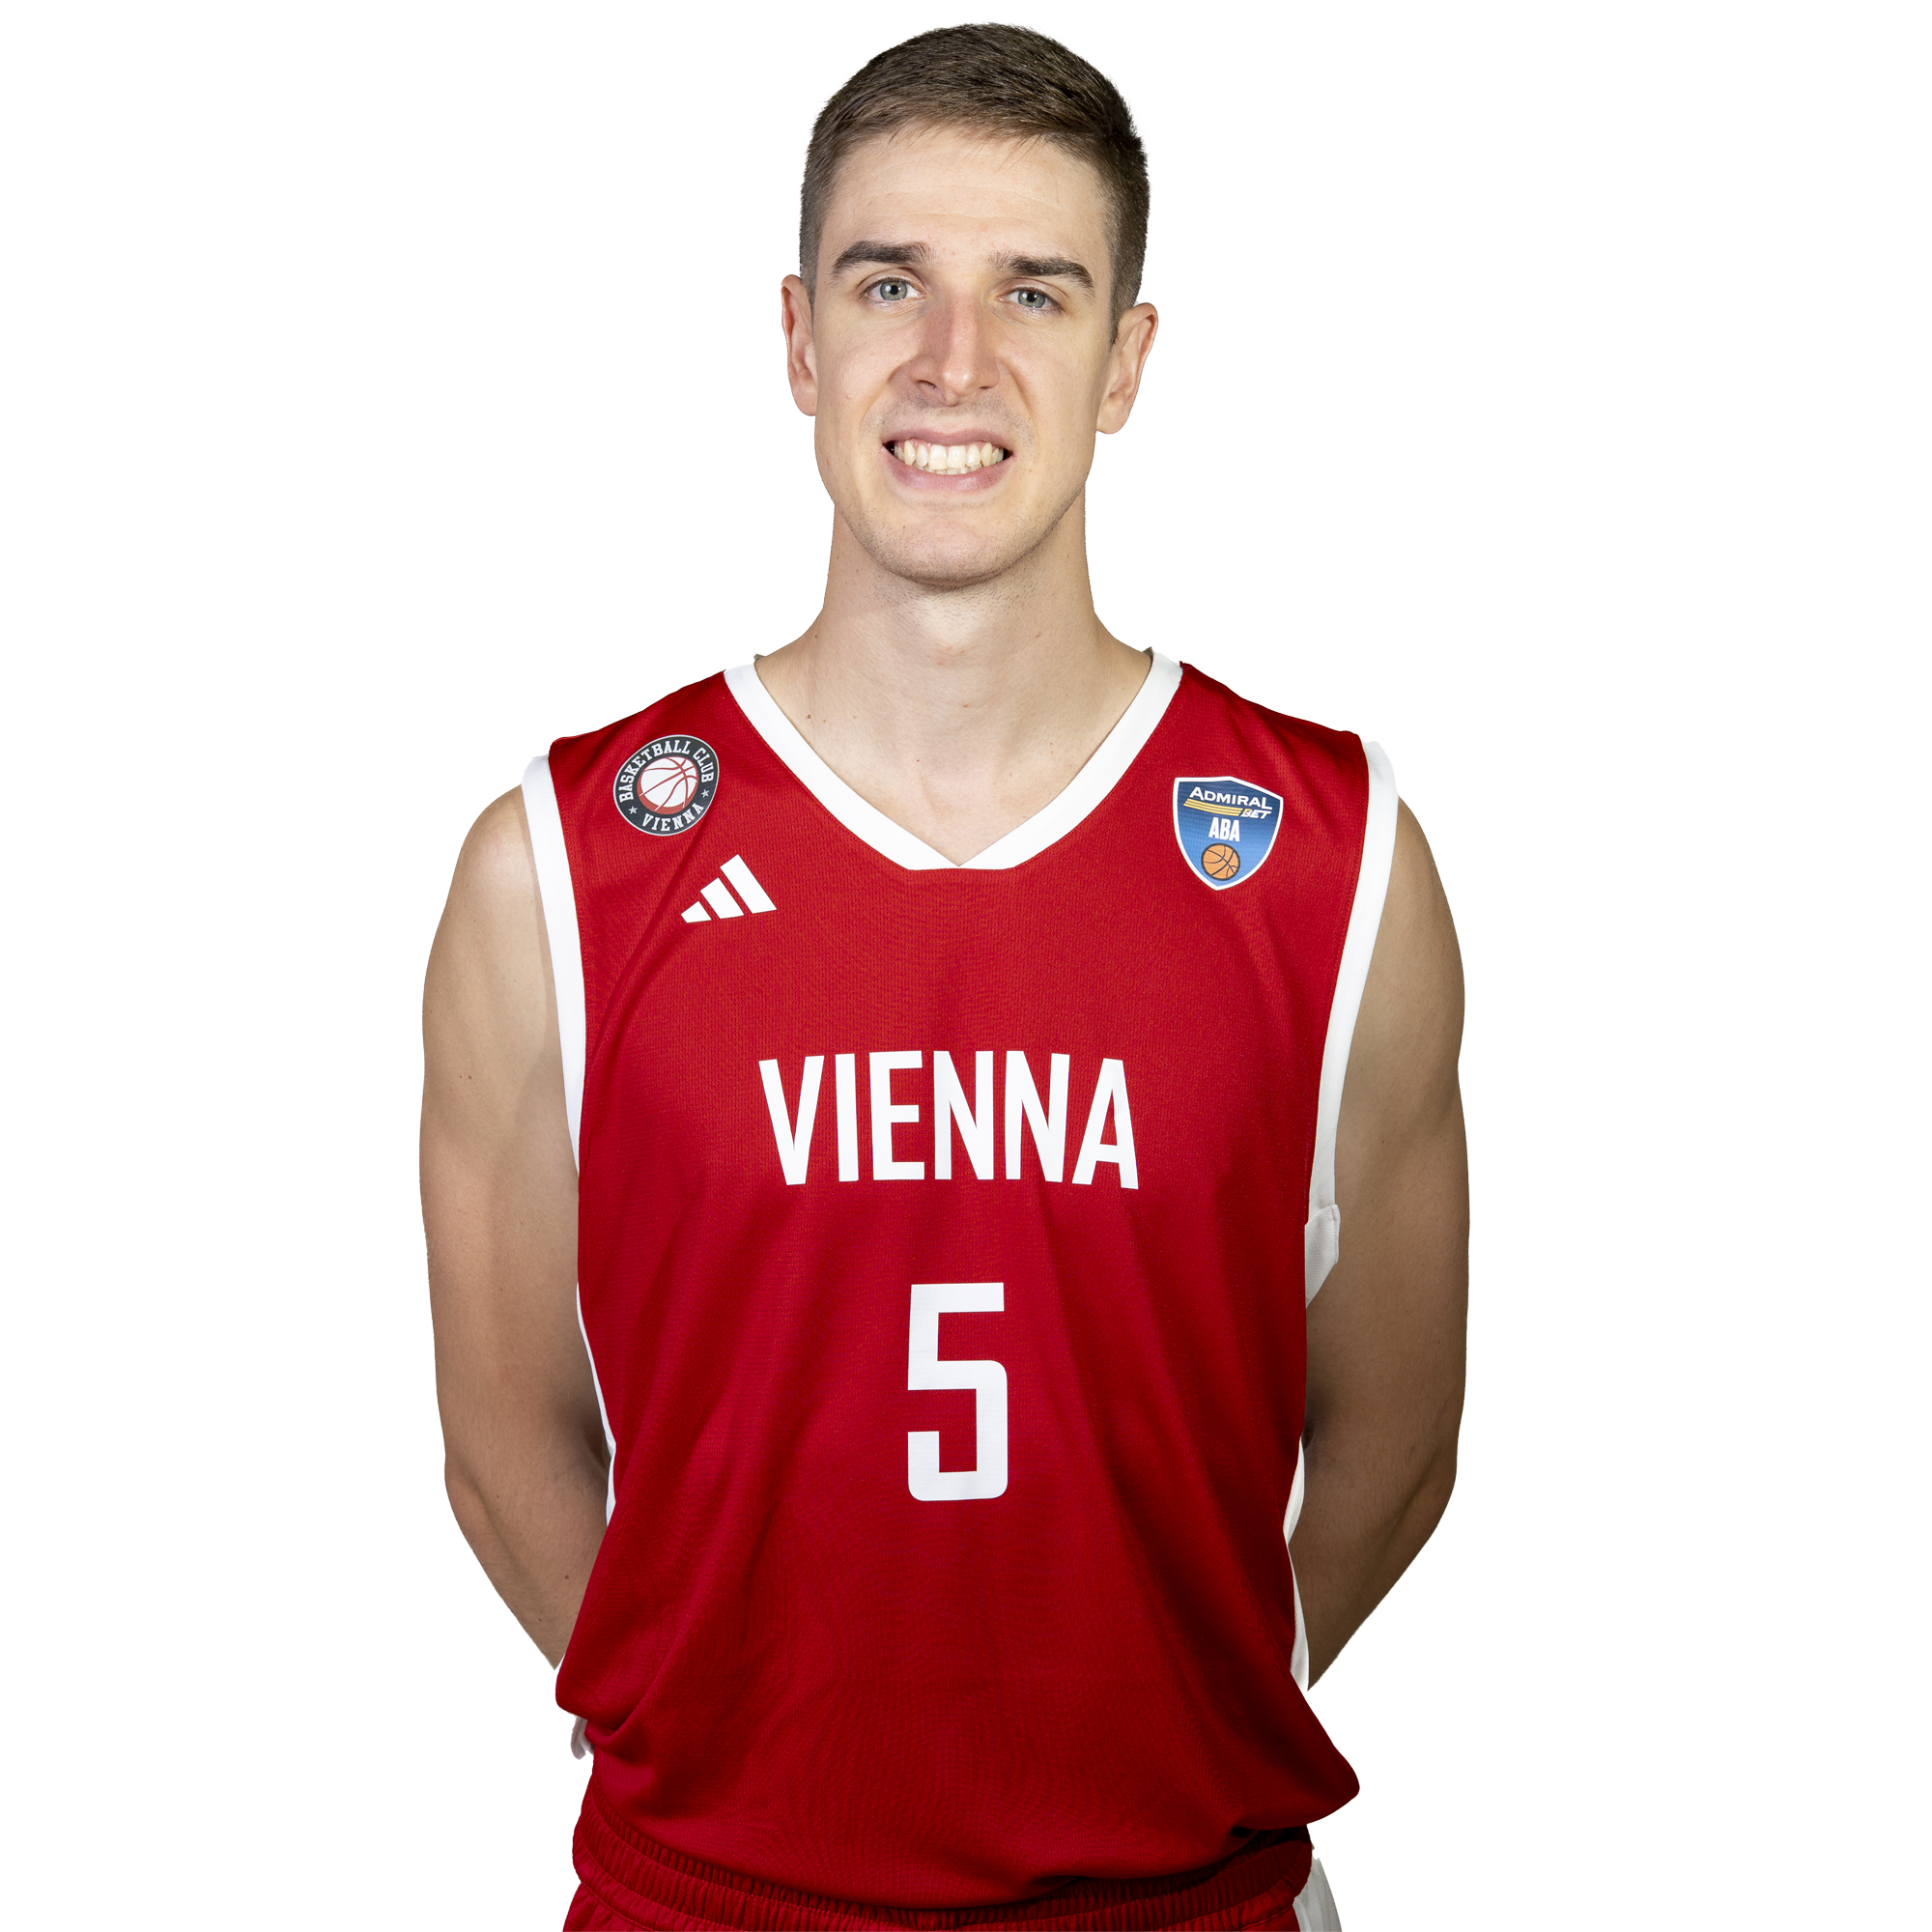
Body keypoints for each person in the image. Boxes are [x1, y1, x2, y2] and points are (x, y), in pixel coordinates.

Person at [422, 22, 1466, 1932]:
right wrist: (727, 1748)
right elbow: (502, 1452)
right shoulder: (560, 867)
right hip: (710, 1902)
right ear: (799, 339)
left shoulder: (1334, 860)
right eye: (888, 283)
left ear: (1125, 361)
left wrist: (1185, 1699)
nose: (953, 364)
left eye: (1034, 293)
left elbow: (1396, 1434)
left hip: (1190, 1900)